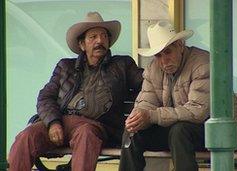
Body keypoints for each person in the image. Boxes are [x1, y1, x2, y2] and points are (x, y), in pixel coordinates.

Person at [8, 11, 143, 171]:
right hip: (61, 121)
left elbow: (148, 85)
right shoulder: (65, 66)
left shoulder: (122, 65)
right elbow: (45, 98)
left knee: (86, 134)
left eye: (104, 36)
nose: (100, 41)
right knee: (26, 136)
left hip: (95, 126)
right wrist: (53, 122)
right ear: (82, 45)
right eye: (93, 37)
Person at [119, 21, 237, 171]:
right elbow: (146, 103)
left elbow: (197, 111)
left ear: (180, 46)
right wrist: (138, 117)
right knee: (133, 131)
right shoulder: (153, 69)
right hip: (180, 134)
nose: (163, 60)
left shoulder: (202, 64)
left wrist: (152, 115)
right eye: (158, 55)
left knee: (180, 131)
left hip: (223, 131)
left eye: (168, 52)